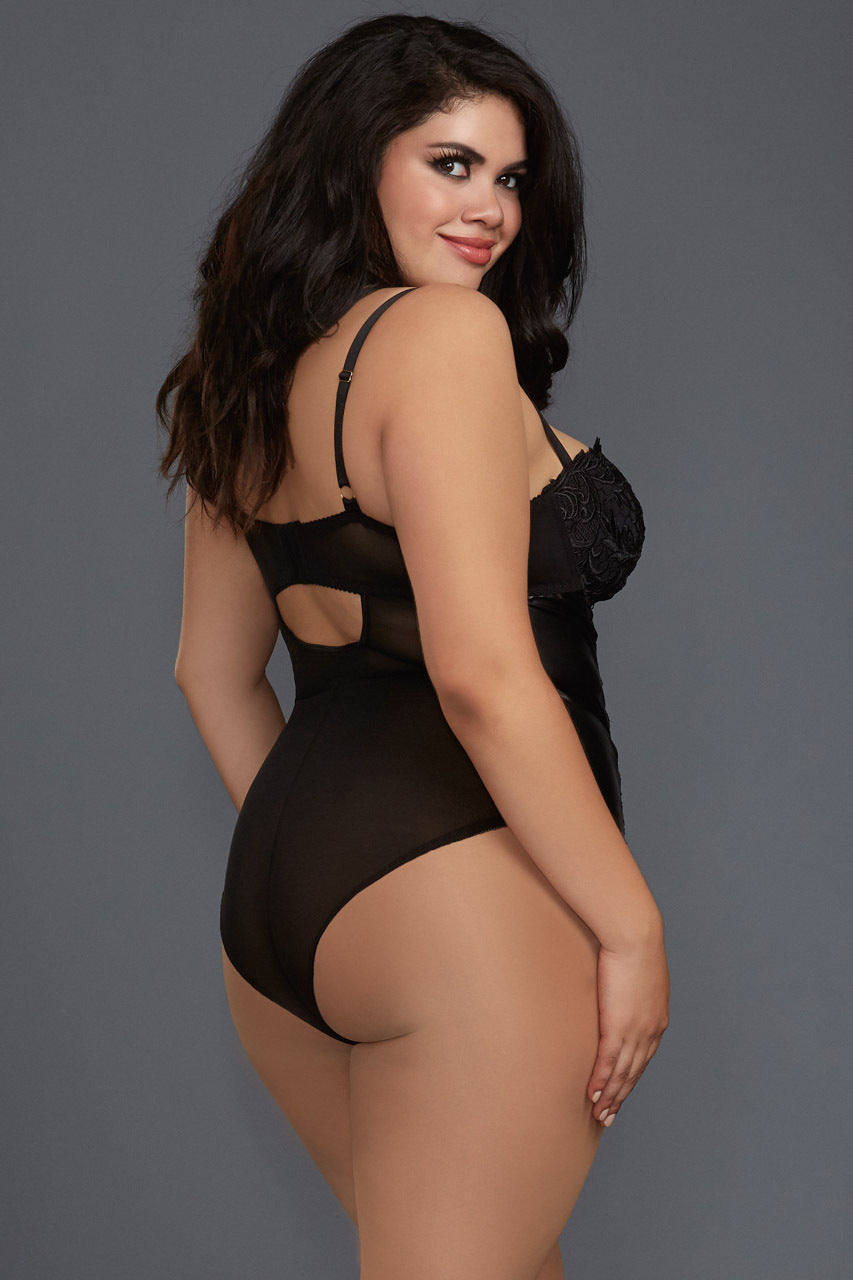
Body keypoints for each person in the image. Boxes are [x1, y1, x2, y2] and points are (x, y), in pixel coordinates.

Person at [157, 14, 669, 1279]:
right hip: (456, 896)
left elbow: (210, 673)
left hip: (282, 907)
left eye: (510, 176)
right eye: (451, 163)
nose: (490, 207)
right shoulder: (442, 337)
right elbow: (481, 676)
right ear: (356, 163)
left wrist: (324, 846)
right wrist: (629, 926)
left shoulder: (247, 370)